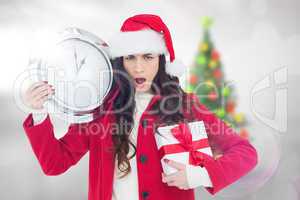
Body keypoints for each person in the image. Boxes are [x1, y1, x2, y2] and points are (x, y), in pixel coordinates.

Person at [22, 14, 258, 200]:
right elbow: (55, 164)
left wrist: (201, 174)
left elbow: (246, 153)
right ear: (119, 60)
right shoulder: (101, 107)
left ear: (162, 60)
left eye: (148, 57)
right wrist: (40, 112)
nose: (138, 68)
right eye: (130, 57)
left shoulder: (186, 106)